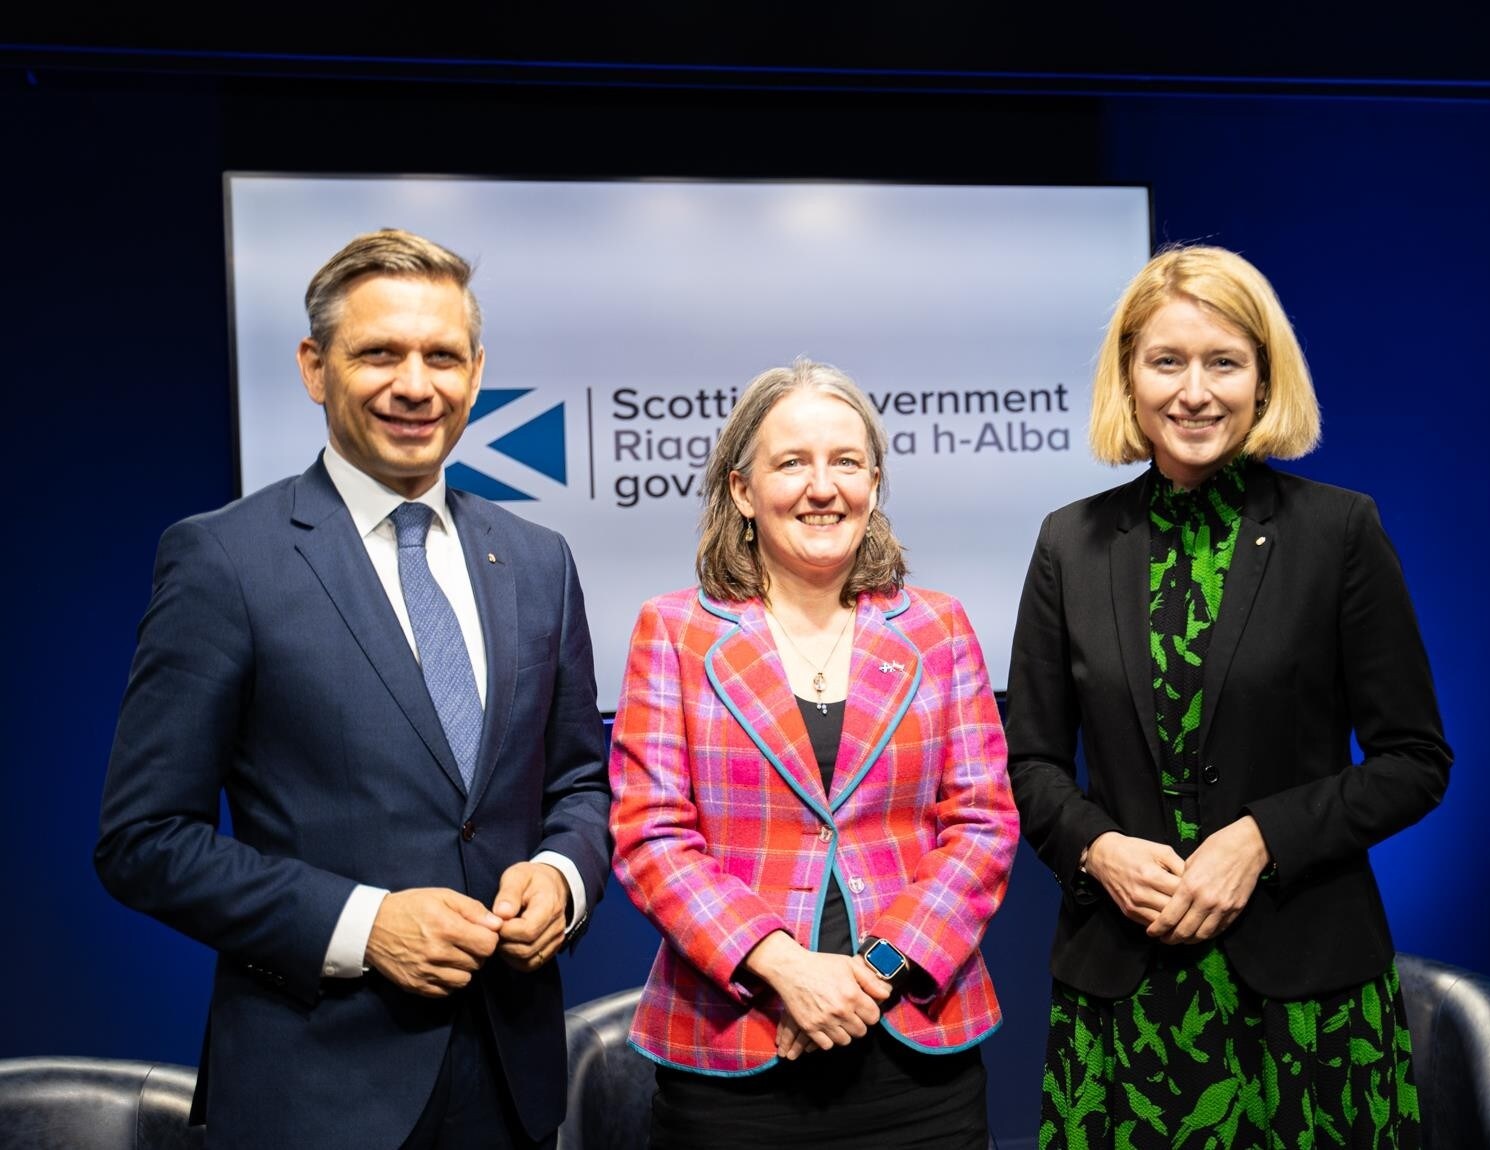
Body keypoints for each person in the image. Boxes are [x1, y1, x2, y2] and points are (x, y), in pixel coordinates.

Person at [95, 229, 612, 1150]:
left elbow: (579, 784)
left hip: (515, 1086)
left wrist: (564, 877)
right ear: (313, 366)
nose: (416, 384)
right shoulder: (225, 560)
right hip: (314, 1097)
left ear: (476, 370)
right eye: (379, 352)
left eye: (442, 355)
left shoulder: (539, 561)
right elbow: (142, 840)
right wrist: (364, 925)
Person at [1007, 245, 1452, 1148]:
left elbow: (1415, 762)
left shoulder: (1340, 533)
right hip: (1123, 997)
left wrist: (1261, 840)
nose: (1194, 392)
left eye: (1224, 362)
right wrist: (1097, 850)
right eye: (1167, 362)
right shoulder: (1070, 544)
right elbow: (1032, 762)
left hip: (1310, 1001)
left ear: (1263, 378)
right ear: (1128, 376)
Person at [609, 359, 1018, 1149]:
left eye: (846, 462)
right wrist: (789, 970)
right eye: (792, 462)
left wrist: (869, 976)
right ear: (741, 491)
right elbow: (651, 836)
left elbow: (983, 823)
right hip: (735, 1053)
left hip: (913, 1053)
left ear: (874, 483)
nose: (821, 487)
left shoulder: (938, 628)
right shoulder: (675, 631)